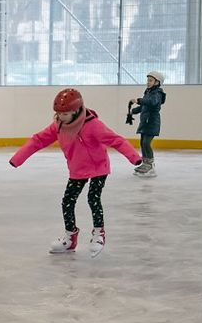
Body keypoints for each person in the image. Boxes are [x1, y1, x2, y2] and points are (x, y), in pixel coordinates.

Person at [9, 88, 142, 257]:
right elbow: (39, 140)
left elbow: (116, 140)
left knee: (93, 198)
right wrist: (18, 158)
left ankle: (99, 233)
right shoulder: (58, 125)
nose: (60, 117)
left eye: (64, 114)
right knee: (67, 202)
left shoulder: (92, 125)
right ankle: (70, 238)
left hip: (98, 167)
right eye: (58, 113)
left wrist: (134, 158)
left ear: (76, 110)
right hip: (77, 169)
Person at [132, 70, 167, 178]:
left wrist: (138, 100)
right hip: (145, 122)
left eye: (151, 80)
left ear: (157, 82)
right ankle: (145, 163)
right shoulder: (148, 92)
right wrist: (134, 111)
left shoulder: (157, 94)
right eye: (148, 80)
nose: (148, 82)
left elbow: (151, 102)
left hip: (152, 122)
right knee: (142, 143)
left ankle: (150, 165)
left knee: (147, 143)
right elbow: (144, 106)